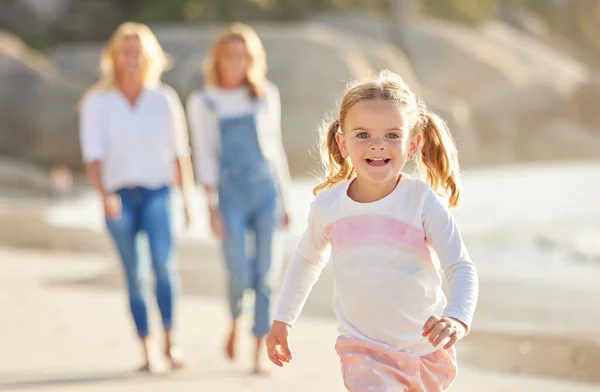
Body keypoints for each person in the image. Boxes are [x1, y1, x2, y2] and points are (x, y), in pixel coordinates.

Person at [265, 70, 479, 391]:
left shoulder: (421, 202)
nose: (377, 146)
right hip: (363, 349)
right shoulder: (329, 206)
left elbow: (460, 266)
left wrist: (457, 317)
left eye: (392, 135)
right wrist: (283, 318)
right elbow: (306, 261)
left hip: (426, 350)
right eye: (363, 135)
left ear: (413, 144)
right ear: (343, 142)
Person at [78, 21, 194, 372]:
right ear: (114, 56)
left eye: (138, 52)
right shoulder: (98, 101)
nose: (131, 59)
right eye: (125, 52)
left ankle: (171, 344)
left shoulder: (163, 99)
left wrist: (187, 199)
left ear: (150, 57)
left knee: (163, 265)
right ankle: (147, 350)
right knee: (135, 274)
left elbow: (180, 152)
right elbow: (93, 155)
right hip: (118, 196)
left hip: (158, 192)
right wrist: (104, 195)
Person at [186, 22, 292, 374]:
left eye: (244, 56)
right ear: (218, 59)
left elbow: (275, 149)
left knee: (265, 275)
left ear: (252, 60)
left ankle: (257, 353)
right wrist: (210, 208)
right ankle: (234, 321)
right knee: (238, 272)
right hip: (229, 195)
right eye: (230, 56)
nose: (236, 62)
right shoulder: (203, 102)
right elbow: (204, 155)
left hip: (266, 192)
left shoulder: (264, 95)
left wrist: (287, 201)